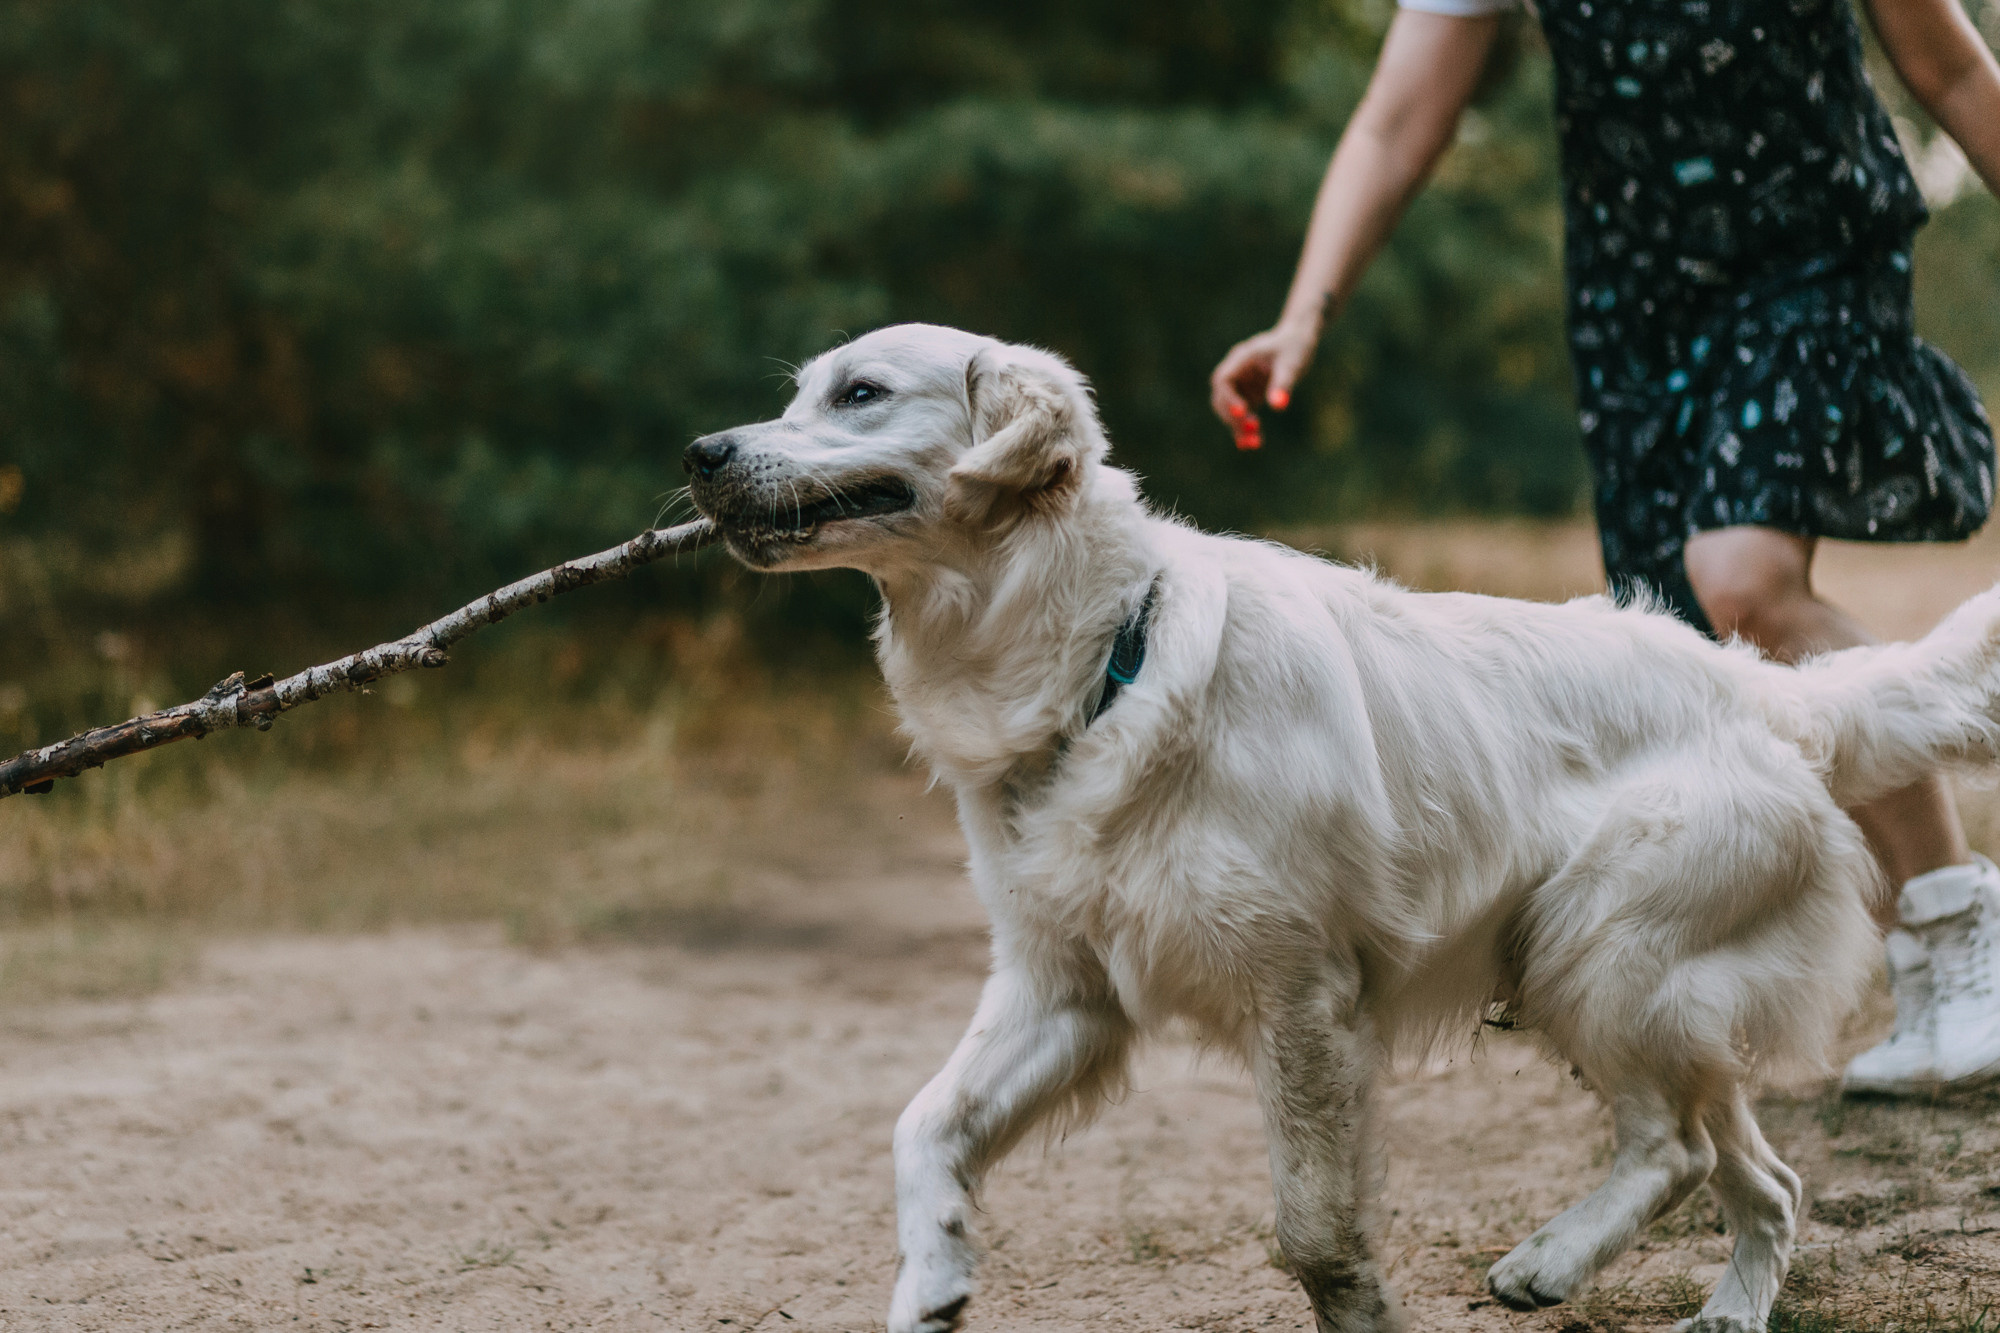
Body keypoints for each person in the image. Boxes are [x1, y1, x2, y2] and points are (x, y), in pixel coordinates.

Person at [1212, 0, 2000, 1095]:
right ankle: (1693, 978)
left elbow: (1950, 73)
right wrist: (1303, 314)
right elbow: (1397, 120)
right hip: (1632, 298)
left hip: (1808, 255)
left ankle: (1955, 924)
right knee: (1675, 653)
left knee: (1742, 582)